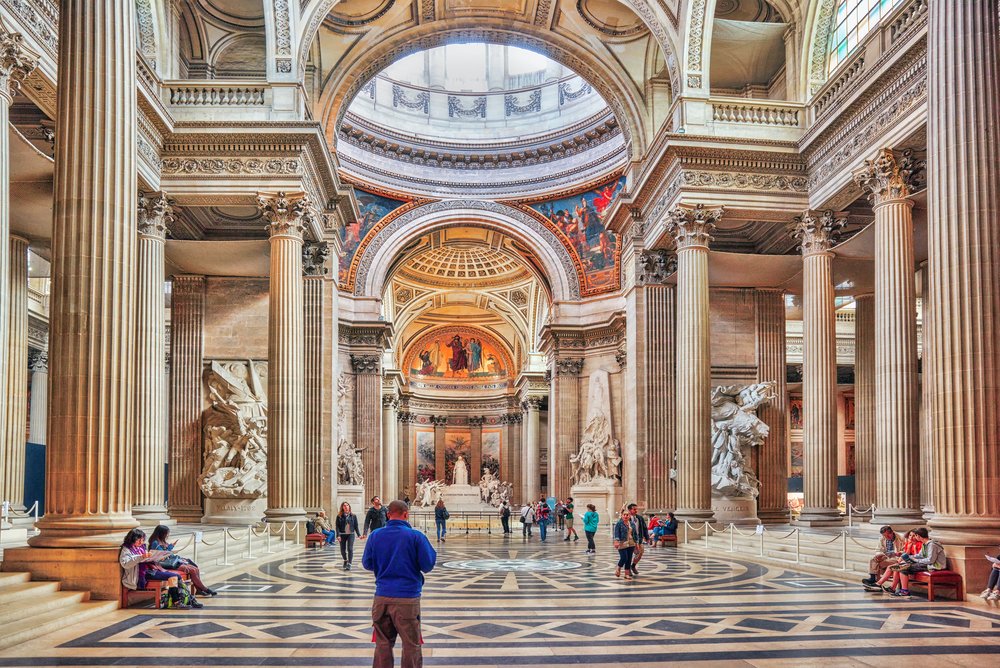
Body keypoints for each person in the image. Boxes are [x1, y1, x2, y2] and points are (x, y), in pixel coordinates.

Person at [362, 500, 437, 668]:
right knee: (411, 644)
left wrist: (384, 564)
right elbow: (428, 565)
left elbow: (367, 564)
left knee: (382, 644)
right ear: (406, 514)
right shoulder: (416, 536)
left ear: (388, 515)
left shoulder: (375, 535)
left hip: (381, 597)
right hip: (407, 598)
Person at [119, 528, 199, 609]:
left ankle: (185, 599)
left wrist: (157, 557)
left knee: (176, 576)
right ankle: (179, 601)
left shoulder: (141, 547)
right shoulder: (126, 549)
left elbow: (148, 559)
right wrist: (141, 557)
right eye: (138, 540)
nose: (141, 542)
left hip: (151, 569)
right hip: (139, 575)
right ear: (132, 539)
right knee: (174, 576)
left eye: (142, 540)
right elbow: (125, 564)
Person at [148, 525, 216, 597]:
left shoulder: (162, 541)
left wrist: (176, 555)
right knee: (192, 570)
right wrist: (170, 547)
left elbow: (167, 553)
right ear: (161, 533)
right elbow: (162, 554)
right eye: (166, 533)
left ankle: (199, 590)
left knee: (195, 568)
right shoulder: (155, 543)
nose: (167, 535)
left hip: (170, 561)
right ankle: (205, 589)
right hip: (164, 564)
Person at [892, 527, 947, 598]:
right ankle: (895, 588)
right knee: (899, 566)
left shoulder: (932, 545)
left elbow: (930, 560)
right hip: (926, 564)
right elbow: (920, 555)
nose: (914, 537)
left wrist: (916, 560)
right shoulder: (925, 544)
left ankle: (905, 591)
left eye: (915, 535)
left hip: (933, 566)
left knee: (903, 568)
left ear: (918, 536)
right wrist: (910, 557)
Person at [336, 501, 362, 571]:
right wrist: (338, 535)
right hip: (342, 534)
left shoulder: (353, 516)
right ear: (342, 508)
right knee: (342, 550)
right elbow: (337, 526)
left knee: (350, 548)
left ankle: (349, 564)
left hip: (351, 534)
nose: (346, 507)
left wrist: (359, 535)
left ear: (349, 507)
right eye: (344, 506)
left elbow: (356, 526)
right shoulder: (339, 516)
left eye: (347, 505)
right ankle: (345, 560)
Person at [613, 509, 637, 581]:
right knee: (624, 557)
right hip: (622, 542)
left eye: (627, 515)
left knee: (629, 559)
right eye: (624, 515)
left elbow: (635, 534)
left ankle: (626, 574)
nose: (626, 516)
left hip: (631, 543)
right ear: (622, 515)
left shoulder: (632, 524)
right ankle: (618, 567)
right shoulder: (619, 524)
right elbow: (616, 533)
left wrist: (637, 543)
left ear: (629, 516)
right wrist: (616, 541)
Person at [627, 503, 649, 575]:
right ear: (629, 510)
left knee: (640, 553)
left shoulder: (640, 518)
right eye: (634, 509)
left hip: (639, 538)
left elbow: (644, 528)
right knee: (629, 554)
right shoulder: (626, 517)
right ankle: (628, 569)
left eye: (637, 509)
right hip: (630, 539)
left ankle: (633, 566)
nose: (636, 510)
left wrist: (647, 537)